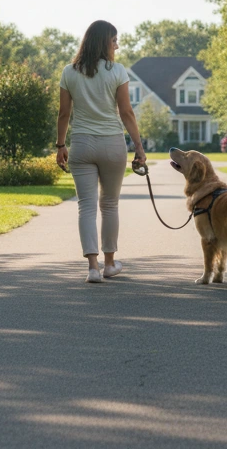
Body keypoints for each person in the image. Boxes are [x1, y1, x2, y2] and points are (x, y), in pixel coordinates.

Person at [56, 20, 146, 283]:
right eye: (114, 40)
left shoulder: (69, 72)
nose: (117, 45)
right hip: (112, 143)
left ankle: (92, 268)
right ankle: (109, 264)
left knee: (86, 207)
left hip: (82, 144)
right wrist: (138, 147)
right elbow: (126, 112)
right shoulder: (117, 71)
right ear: (105, 41)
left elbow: (64, 114)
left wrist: (61, 145)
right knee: (109, 205)